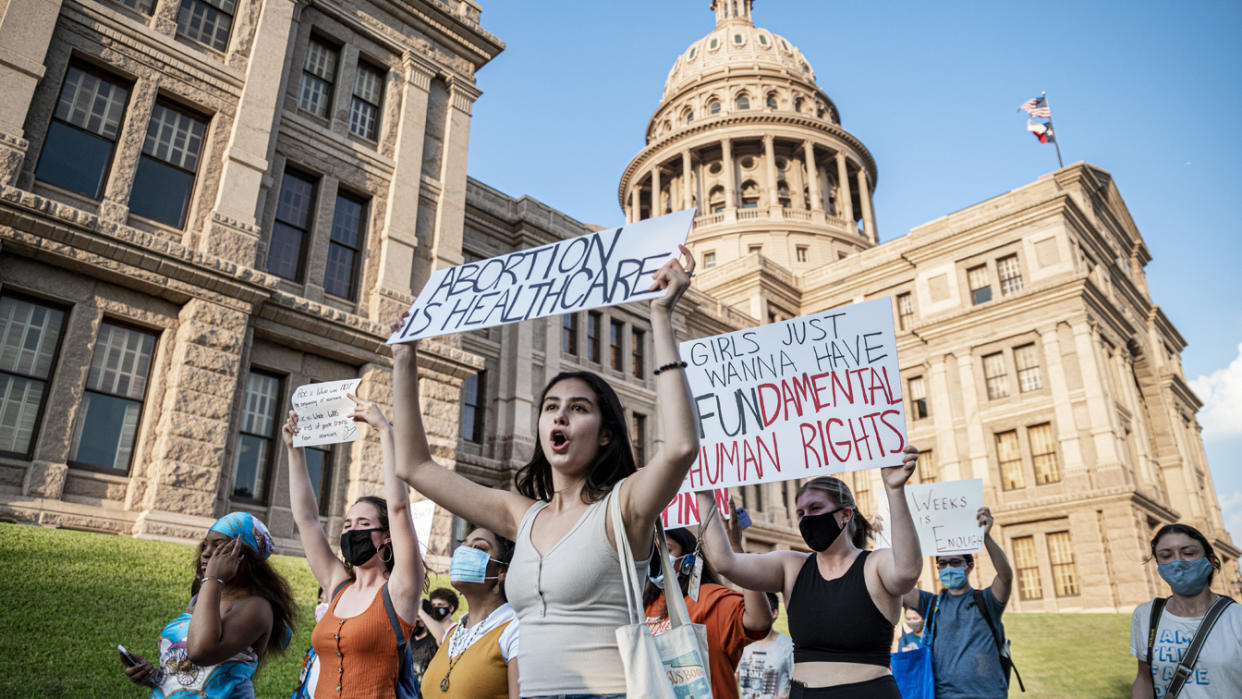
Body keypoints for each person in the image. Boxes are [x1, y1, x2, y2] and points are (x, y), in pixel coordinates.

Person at [391, 244, 699, 697]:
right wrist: (404, 359)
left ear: (606, 434)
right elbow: (415, 466)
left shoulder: (624, 507)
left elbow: (680, 446)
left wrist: (660, 318)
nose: (560, 416)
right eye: (551, 407)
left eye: (578, 408)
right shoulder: (521, 515)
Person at [695, 455, 923, 699]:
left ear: (845, 515)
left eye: (815, 508)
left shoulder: (874, 563)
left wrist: (894, 489)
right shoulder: (792, 566)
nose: (807, 519)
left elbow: (907, 571)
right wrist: (704, 493)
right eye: (801, 513)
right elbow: (724, 562)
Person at [283, 396, 425, 698]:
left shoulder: (399, 591)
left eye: (363, 524)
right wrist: (294, 451)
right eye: (347, 525)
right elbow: (307, 519)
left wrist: (385, 432)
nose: (352, 531)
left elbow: (399, 508)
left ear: (386, 536)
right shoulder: (337, 587)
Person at [120, 512, 297, 698]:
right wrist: (154, 676)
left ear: (244, 557)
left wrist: (213, 579)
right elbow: (192, 673)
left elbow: (201, 652)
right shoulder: (200, 599)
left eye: (219, 546)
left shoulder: (256, 607)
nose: (205, 552)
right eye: (205, 545)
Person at [642, 521, 771, 699]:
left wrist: (738, 554)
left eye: (667, 550)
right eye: (652, 552)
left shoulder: (712, 599)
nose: (658, 558)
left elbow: (759, 622)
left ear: (689, 558)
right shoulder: (644, 606)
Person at [899, 506, 1013, 699]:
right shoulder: (931, 604)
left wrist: (986, 537)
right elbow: (896, 584)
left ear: (969, 566)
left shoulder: (986, 600)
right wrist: (882, 541)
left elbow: (1005, 576)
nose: (948, 568)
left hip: (988, 695)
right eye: (942, 564)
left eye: (955, 562)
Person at [1130, 523, 1241, 699]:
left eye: (1188, 553)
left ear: (1211, 561)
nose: (1177, 561)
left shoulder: (1237, 617)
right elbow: (1144, 679)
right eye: (1166, 556)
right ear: (1159, 566)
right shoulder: (1146, 615)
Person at [422, 526, 520, 699]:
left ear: (502, 571)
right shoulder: (452, 634)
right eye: (462, 544)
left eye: (479, 548)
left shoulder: (515, 630)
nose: (463, 552)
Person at [736, 592, 794, 699]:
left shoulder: (789, 647)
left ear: (774, 613)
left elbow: (800, 687)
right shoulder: (742, 643)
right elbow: (734, 677)